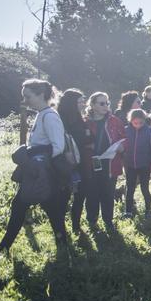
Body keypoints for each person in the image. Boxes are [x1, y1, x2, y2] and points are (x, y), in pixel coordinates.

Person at [0, 80, 71, 258]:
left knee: (24, 206)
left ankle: (3, 248)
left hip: (43, 173)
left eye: (27, 96)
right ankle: (63, 248)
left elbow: (58, 146)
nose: (25, 100)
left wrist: (39, 166)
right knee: (48, 210)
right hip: (39, 172)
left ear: (41, 95)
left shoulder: (49, 116)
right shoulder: (41, 114)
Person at [84, 92, 126, 230]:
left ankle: (108, 221)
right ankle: (92, 221)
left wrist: (121, 147)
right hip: (91, 164)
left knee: (108, 194)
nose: (106, 106)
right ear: (92, 105)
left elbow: (125, 139)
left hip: (110, 164)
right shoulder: (85, 122)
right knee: (92, 193)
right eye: (102, 103)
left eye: (107, 103)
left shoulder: (115, 121)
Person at [58, 89, 92, 235]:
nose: (83, 104)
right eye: (79, 101)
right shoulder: (62, 120)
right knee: (64, 196)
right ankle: (60, 228)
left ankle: (76, 226)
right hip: (68, 162)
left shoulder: (79, 117)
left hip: (82, 161)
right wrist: (87, 141)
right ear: (72, 103)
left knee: (81, 194)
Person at [122, 108, 151, 219]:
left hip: (144, 165)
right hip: (130, 164)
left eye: (140, 123)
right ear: (130, 120)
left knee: (145, 188)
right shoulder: (126, 130)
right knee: (130, 187)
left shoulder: (149, 131)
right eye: (135, 123)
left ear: (145, 120)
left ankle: (148, 210)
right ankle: (128, 211)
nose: (138, 125)